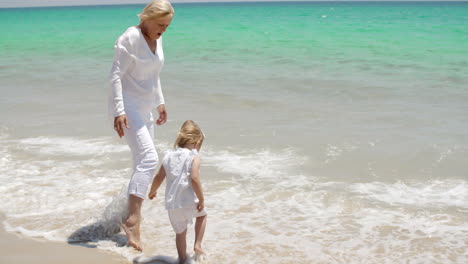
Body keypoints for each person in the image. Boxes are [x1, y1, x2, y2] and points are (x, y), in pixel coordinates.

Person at [108, 0, 174, 251]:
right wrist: (118, 111)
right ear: (147, 18)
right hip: (128, 106)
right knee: (149, 158)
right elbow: (115, 74)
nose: (163, 30)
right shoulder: (130, 37)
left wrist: (161, 102)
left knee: (141, 163)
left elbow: (154, 73)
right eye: (160, 25)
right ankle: (133, 219)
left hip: (146, 107)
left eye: (167, 26)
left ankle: (123, 214)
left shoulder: (157, 38)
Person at [148, 120, 207, 264]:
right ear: (197, 141)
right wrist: (201, 199)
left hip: (173, 205)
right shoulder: (194, 157)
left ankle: (182, 260)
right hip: (190, 202)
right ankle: (197, 244)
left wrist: (152, 191)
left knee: (180, 233)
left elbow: (158, 177)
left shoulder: (168, 156)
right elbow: (194, 178)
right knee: (202, 216)